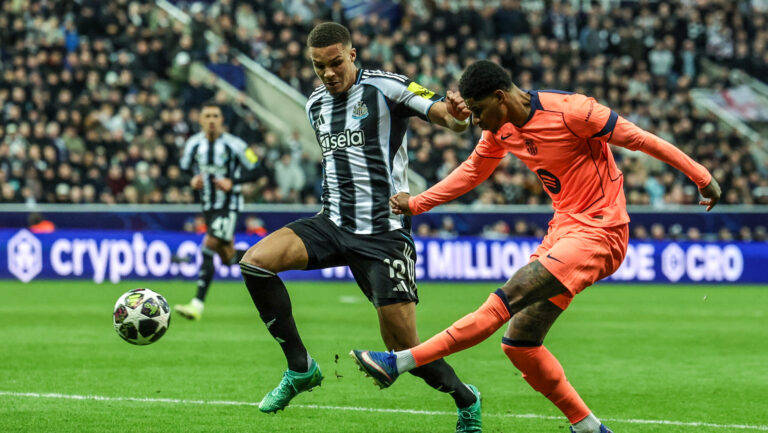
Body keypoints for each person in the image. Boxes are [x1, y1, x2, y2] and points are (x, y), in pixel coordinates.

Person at [351, 60, 721, 433]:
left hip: (601, 231)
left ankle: (399, 362)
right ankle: (587, 426)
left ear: (500, 97)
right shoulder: (501, 128)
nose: (475, 121)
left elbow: (640, 139)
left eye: (478, 111)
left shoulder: (574, 112)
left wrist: (702, 177)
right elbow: (473, 171)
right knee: (520, 344)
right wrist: (417, 203)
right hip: (562, 231)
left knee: (506, 297)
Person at [238, 22, 483, 431]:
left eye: (335, 63)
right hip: (332, 223)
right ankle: (300, 368)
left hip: (383, 233)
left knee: (403, 348)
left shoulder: (385, 87)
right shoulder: (315, 104)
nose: (328, 73)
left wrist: (458, 118)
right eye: (319, 66)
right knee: (255, 263)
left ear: (352, 55)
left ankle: (466, 398)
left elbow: (445, 114)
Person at [174, 102, 263, 320]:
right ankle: (266, 258)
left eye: (216, 116)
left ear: (222, 120)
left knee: (209, 245)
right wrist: (191, 180)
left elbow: (257, 170)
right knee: (228, 258)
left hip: (229, 205)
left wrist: (233, 182)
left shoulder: (235, 144)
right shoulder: (194, 144)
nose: (212, 120)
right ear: (201, 120)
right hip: (208, 206)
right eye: (208, 116)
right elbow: (183, 170)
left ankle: (197, 305)